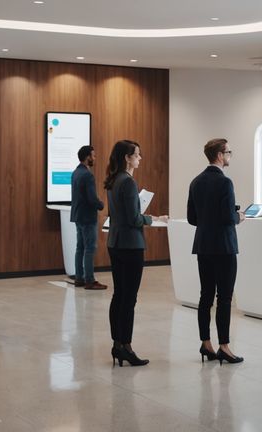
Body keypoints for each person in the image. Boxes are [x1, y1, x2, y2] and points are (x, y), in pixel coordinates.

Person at [103, 140, 168, 367]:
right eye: (137, 155)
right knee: (129, 298)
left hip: (115, 242)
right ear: (127, 158)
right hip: (131, 245)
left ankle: (117, 344)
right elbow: (134, 219)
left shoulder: (113, 180)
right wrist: (154, 219)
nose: (140, 159)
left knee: (119, 295)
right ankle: (126, 347)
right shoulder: (128, 183)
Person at [187, 138, 245, 365]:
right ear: (220, 155)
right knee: (225, 297)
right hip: (224, 246)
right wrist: (238, 216)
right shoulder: (225, 183)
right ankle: (224, 347)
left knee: (205, 296)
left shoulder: (196, 182)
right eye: (229, 152)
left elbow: (193, 218)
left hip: (203, 246)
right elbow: (227, 218)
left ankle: (206, 343)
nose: (230, 155)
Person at [70, 145, 106, 290]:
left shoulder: (75, 172)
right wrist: (101, 204)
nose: (95, 158)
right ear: (87, 157)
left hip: (78, 215)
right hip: (87, 217)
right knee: (90, 248)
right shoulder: (87, 175)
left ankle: (79, 278)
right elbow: (92, 198)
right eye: (93, 155)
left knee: (80, 247)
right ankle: (90, 280)